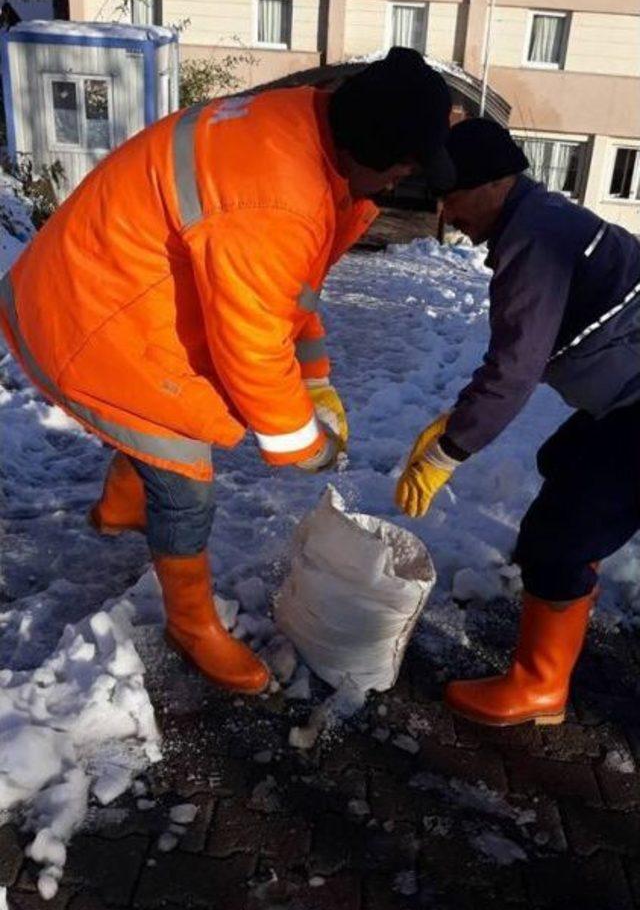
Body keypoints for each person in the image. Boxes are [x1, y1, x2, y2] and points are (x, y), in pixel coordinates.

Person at [0, 46, 454, 695]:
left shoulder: (303, 125)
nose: (400, 181)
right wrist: (308, 444)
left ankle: (126, 503)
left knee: (168, 416)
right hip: (95, 314)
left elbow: (288, 296)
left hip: (109, 278)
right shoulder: (280, 198)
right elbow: (253, 350)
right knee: (182, 462)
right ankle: (190, 624)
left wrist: (318, 377)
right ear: (365, 151)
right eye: (402, 166)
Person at [396, 117, 640, 727]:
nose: (448, 215)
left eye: (453, 196)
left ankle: (540, 687)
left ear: (495, 182)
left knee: (559, 536)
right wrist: (458, 419)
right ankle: (566, 572)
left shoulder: (535, 239)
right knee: (562, 462)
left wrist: (449, 449)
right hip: (624, 396)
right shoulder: (538, 222)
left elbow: (515, 365)